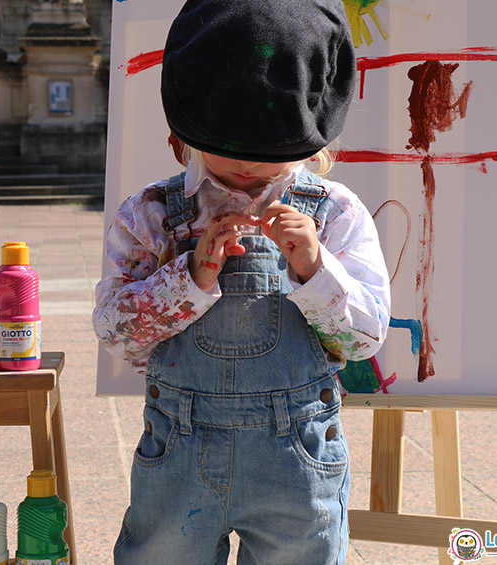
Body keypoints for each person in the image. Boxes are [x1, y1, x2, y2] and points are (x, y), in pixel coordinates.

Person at [93, 0, 390, 562]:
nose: (250, 169)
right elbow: (117, 333)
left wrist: (313, 268)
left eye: (273, 156)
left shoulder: (334, 213)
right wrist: (188, 279)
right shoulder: (154, 213)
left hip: (297, 457)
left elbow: (363, 341)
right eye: (231, 151)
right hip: (178, 449)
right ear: (185, 131)